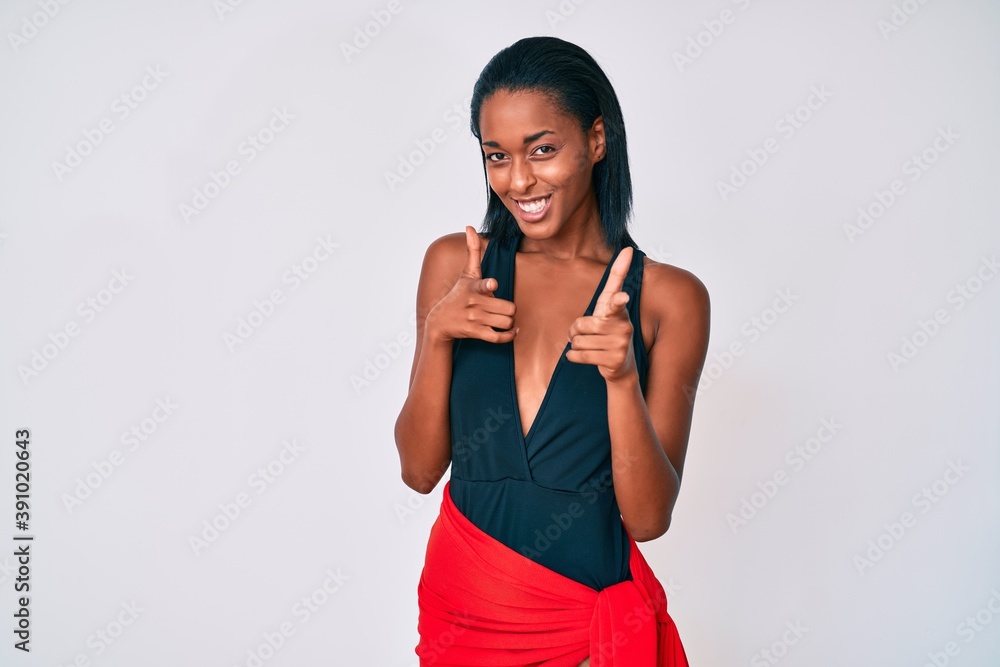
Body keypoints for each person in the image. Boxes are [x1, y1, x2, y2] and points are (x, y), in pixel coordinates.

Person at [394, 36, 710, 666]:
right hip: (464, 622)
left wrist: (621, 380)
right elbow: (420, 472)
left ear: (596, 140)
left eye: (542, 150)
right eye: (497, 156)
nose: (519, 180)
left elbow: (647, 519)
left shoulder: (669, 299)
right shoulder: (457, 267)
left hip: (586, 637)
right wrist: (436, 333)